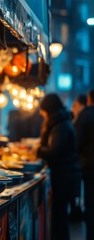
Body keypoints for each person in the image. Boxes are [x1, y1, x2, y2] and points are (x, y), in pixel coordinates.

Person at [36, 93, 81, 240]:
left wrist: (37, 150)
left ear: (49, 110)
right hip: (65, 175)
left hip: (64, 177)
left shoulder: (60, 125)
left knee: (60, 217)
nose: (43, 115)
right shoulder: (61, 122)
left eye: (44, 112)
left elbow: (54, 150)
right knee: (59, 217)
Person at [75, 89, 94, 240]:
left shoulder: (86, 115)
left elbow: (77, 142)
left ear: (89, 99)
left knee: (91, 206)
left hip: (89, 168)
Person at [69, 94, 87, 220]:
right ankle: (76, 210)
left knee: (77, 190)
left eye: (75, 105)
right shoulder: (78, 119)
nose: (72, 108)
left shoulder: (82, 120)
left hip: (79, 162)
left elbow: (77, 142)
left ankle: (77, 212)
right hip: (79, 162)